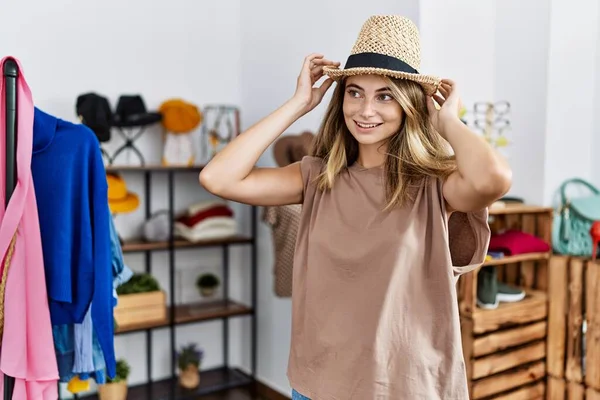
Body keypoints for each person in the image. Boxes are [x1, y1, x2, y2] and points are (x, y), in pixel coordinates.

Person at [200, 15, 512, 400]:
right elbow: (218, 178)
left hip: (405, 388)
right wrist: (298, 104)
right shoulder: (316, 177)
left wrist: (447, 123)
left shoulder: (434, 185)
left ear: (408, 104)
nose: (365, 110)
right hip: (318, 384)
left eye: (385, 95)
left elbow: (494, 179)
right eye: (355, 92)